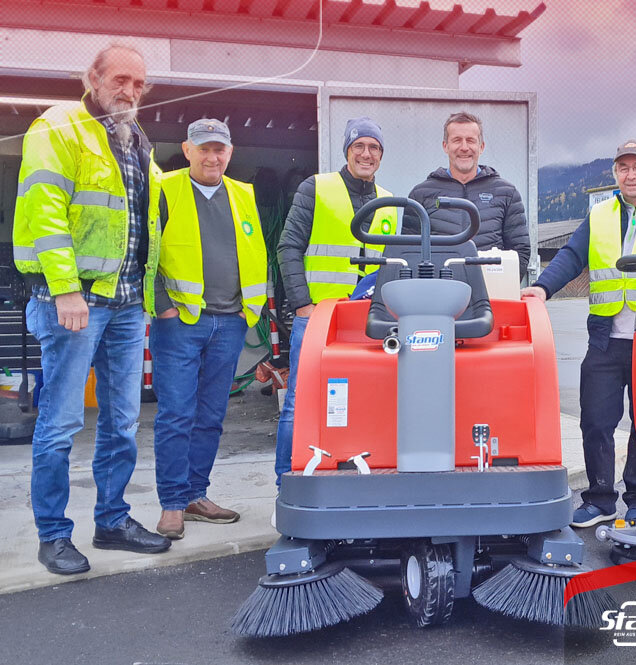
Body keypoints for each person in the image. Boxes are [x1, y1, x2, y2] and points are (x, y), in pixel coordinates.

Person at [14, 44, 171, 574]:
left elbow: (140, 225)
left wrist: (150, 298)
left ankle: (112, 521)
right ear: (93, 78)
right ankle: (54, 534)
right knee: (60, 423)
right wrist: (64, 289)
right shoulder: (59, 126)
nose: (130, 91)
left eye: (139, 84)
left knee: (122, 422)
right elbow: (44, 212)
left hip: (125, 305)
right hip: (75, 302)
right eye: (121, 79)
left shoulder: (135, 138)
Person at [521, 139, 636, 528]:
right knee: (595, 419)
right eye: (623, 168)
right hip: (606, 337)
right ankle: (600, 499)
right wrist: (541, 288)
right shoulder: (600, 214)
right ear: (615, 175)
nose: (631, 174)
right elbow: (571, 255)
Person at [152, 119, 267, 539]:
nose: (212, 157)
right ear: (187, 150)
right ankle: (171, 503)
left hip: (230, 322)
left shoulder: (242, 194)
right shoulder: (164, 189)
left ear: (230, 153)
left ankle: (195, 495)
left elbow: (255, 253)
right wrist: (163, 307)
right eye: (204, 149)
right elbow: (146, 251)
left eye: (219, 149)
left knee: (211, 416)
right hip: (181, 322)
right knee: (176, 414)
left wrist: (246, 314)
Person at [275, 117, 396, 485]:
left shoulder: (391, 201)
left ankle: (351, 479)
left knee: (362, 403)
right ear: (347, 150)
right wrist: (302, 305)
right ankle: (287, 482)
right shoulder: (316, 188)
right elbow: (288, 247)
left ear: (381, 155)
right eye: (359, 146)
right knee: (300, 402)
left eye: (374, 147)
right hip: (319, 318)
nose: (366, 154)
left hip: (367, 322)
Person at [404, 111, 530, 279]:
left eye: (470, 140)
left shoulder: (506, 193)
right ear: (445, 146)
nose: (464, 147)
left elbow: (520, 251)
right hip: (437, 291)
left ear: (481, 146)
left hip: (490, 290)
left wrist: (499, 284)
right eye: (457, 140)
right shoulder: (421, 194)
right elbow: (408, 252)